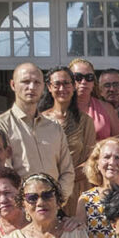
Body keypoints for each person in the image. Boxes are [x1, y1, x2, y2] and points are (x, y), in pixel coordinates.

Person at [0, 62, 75, 198]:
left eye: (37, 82)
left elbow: (67, 171)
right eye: (25, 82)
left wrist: (57, 199)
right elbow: (4, 172)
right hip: (20, 205)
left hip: (54, 205)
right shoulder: (0, 125)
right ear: (13, 85)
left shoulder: (54, 127)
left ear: (43, 87)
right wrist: (26, 202)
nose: (31, 87)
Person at [39, 65, 96, 201]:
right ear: (49, 87)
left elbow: (91, 160)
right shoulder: (39, 121)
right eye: (57, 84)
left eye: (66, 83)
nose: (62, 89)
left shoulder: (85, 121)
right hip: (46, 191)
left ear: (74, 86)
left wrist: (64, 181)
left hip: (78, 190)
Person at [80, 136, 119, 238]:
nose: (112, 162)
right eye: (106, 157)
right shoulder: (85, 199)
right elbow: (80, 237)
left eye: (117, 158)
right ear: (97, 164)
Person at [70, 58, 119, 141]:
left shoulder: (107, 108)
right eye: (78, 77)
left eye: (89, 77)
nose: (84, 81)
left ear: (93, 82)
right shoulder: (61, 108)